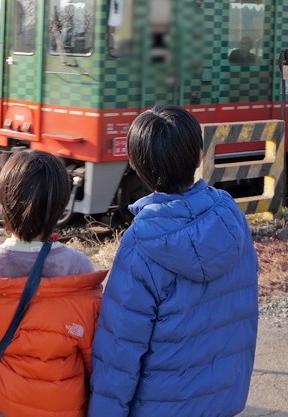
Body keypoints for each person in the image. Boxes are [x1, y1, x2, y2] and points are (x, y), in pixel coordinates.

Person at [89, 106, 259, 417]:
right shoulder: (230, 217)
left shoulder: (142, 243)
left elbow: (120, 348)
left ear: (136, 164)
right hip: (223, 400)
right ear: (199, 155)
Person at [0, 150, 106, 417]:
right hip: (64, 407)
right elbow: (95, 359)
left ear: (2, 202)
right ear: (60, 207)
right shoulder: (78, 270)